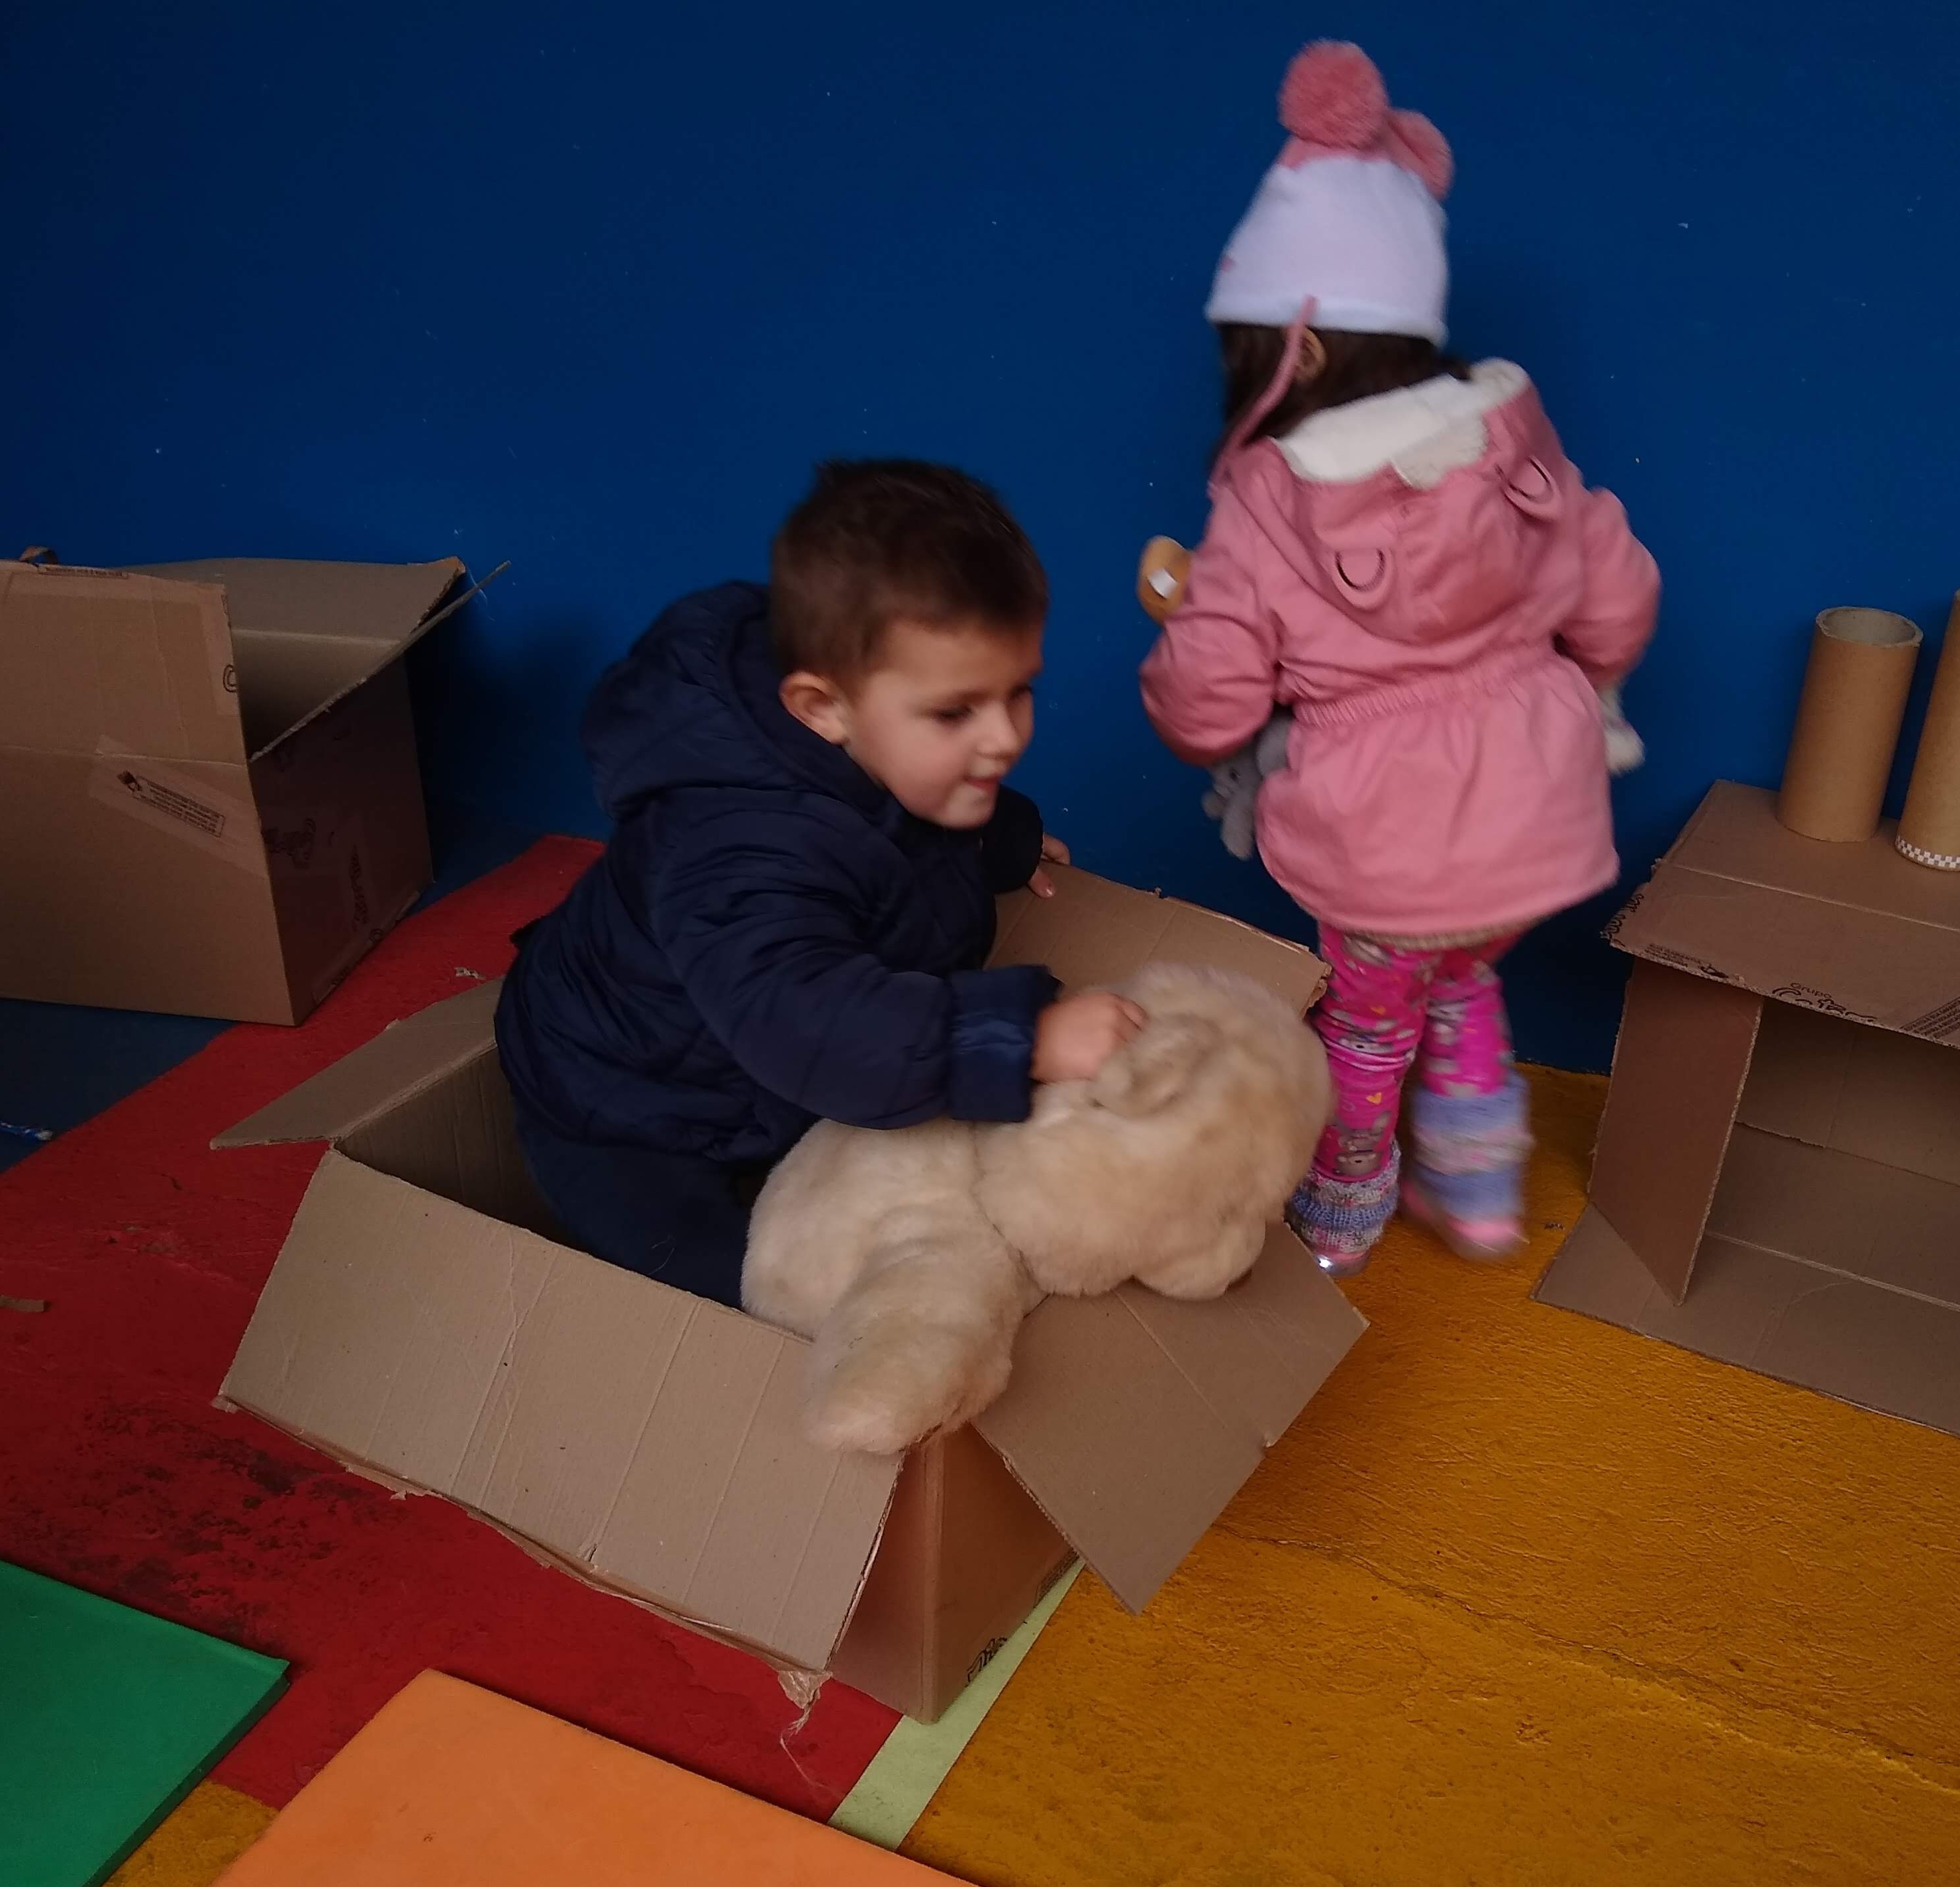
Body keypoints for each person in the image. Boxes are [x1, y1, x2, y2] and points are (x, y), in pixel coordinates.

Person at [1139, 42, 1661, 1276]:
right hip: (1535, 822)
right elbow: (1619, 589)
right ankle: (1478, 1191)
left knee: (1371, 1021)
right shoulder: (1514, 442)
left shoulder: (1268, 498)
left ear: (1306, 351)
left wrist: (1180, 656)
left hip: (1390, 845)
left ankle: (1345, 1203)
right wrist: (1592, 676)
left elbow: (1210, 702)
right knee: (1464, 981)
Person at [497, 459, 1144, 1307]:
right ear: (821, 708)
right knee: (754, 1296)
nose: (1003, 739)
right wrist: (1024, 1042)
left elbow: (913, 830)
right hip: (621, 1101)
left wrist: (1003, 837)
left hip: (754, 1056)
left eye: (1018, 692)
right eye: (957, 711)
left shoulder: (879, 736)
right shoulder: (736, 849)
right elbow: (814, 1025)